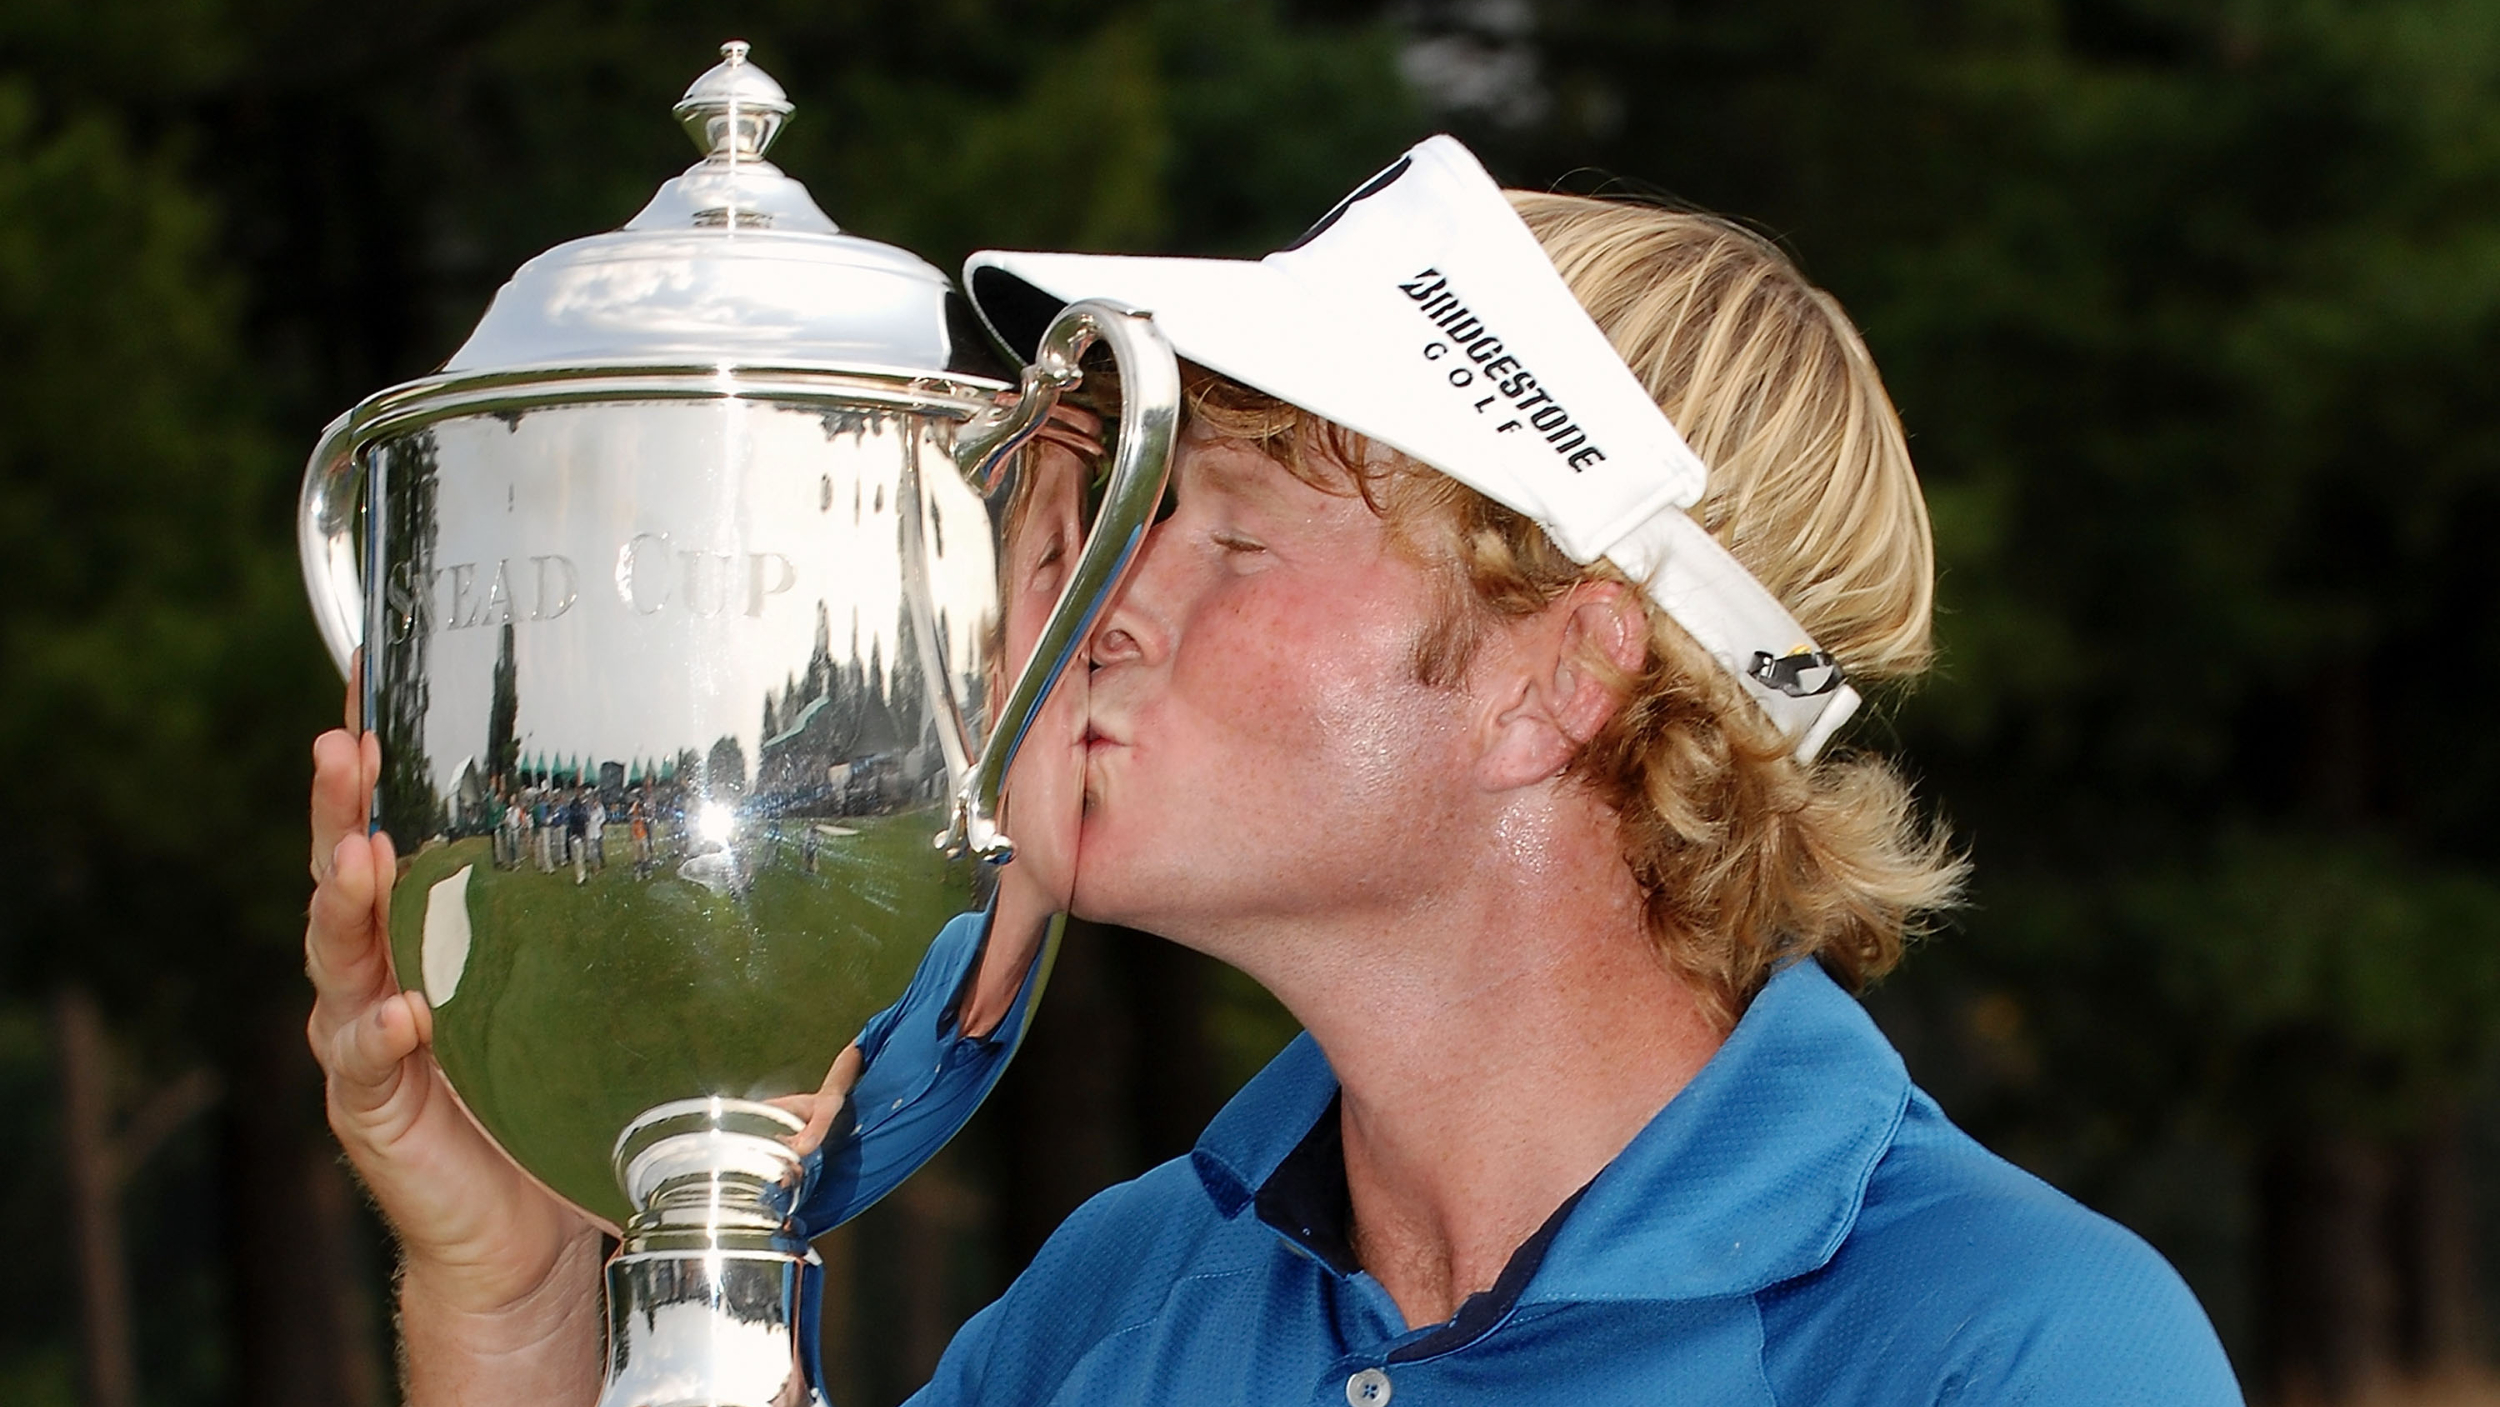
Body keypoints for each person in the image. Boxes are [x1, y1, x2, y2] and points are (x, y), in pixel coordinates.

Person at [304, 136, 2242, 1403]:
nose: (1090, 607)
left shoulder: (2005, 1350)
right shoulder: (1122, 1304)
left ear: (1552, 679)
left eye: (1221, 530)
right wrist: (527, 1284)